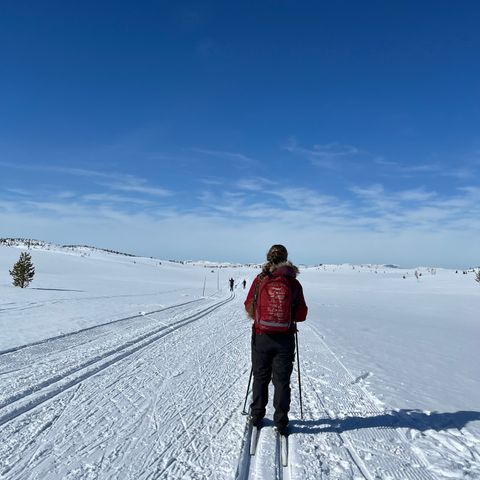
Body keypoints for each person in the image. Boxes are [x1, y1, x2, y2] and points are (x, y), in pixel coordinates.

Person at [244, 244, 307, 435]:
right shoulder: (293, 283)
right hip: (285, 339)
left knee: (260, 377)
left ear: (268, 258)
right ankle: (281, 421)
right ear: (286, 258)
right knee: (281, 381)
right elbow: (302, 314)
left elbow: (249, 306)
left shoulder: (260, 279)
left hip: (261, 336)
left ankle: (256, 416)